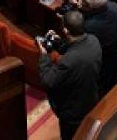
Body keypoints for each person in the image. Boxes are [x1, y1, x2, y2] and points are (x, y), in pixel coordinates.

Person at [37, 10, 102, 140]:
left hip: (73, 113)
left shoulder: (68, 61)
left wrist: (44, 55)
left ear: (66, 30)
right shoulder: (94, 40)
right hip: (91, 100)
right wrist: (60, 42)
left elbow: (47, 81)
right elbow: (77, 47)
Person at [77, 0, 117, 95]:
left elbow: (77, 48)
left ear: (89, 7)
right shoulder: (112, 7)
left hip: (98, 72)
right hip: (113, 62)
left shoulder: (89, 27)